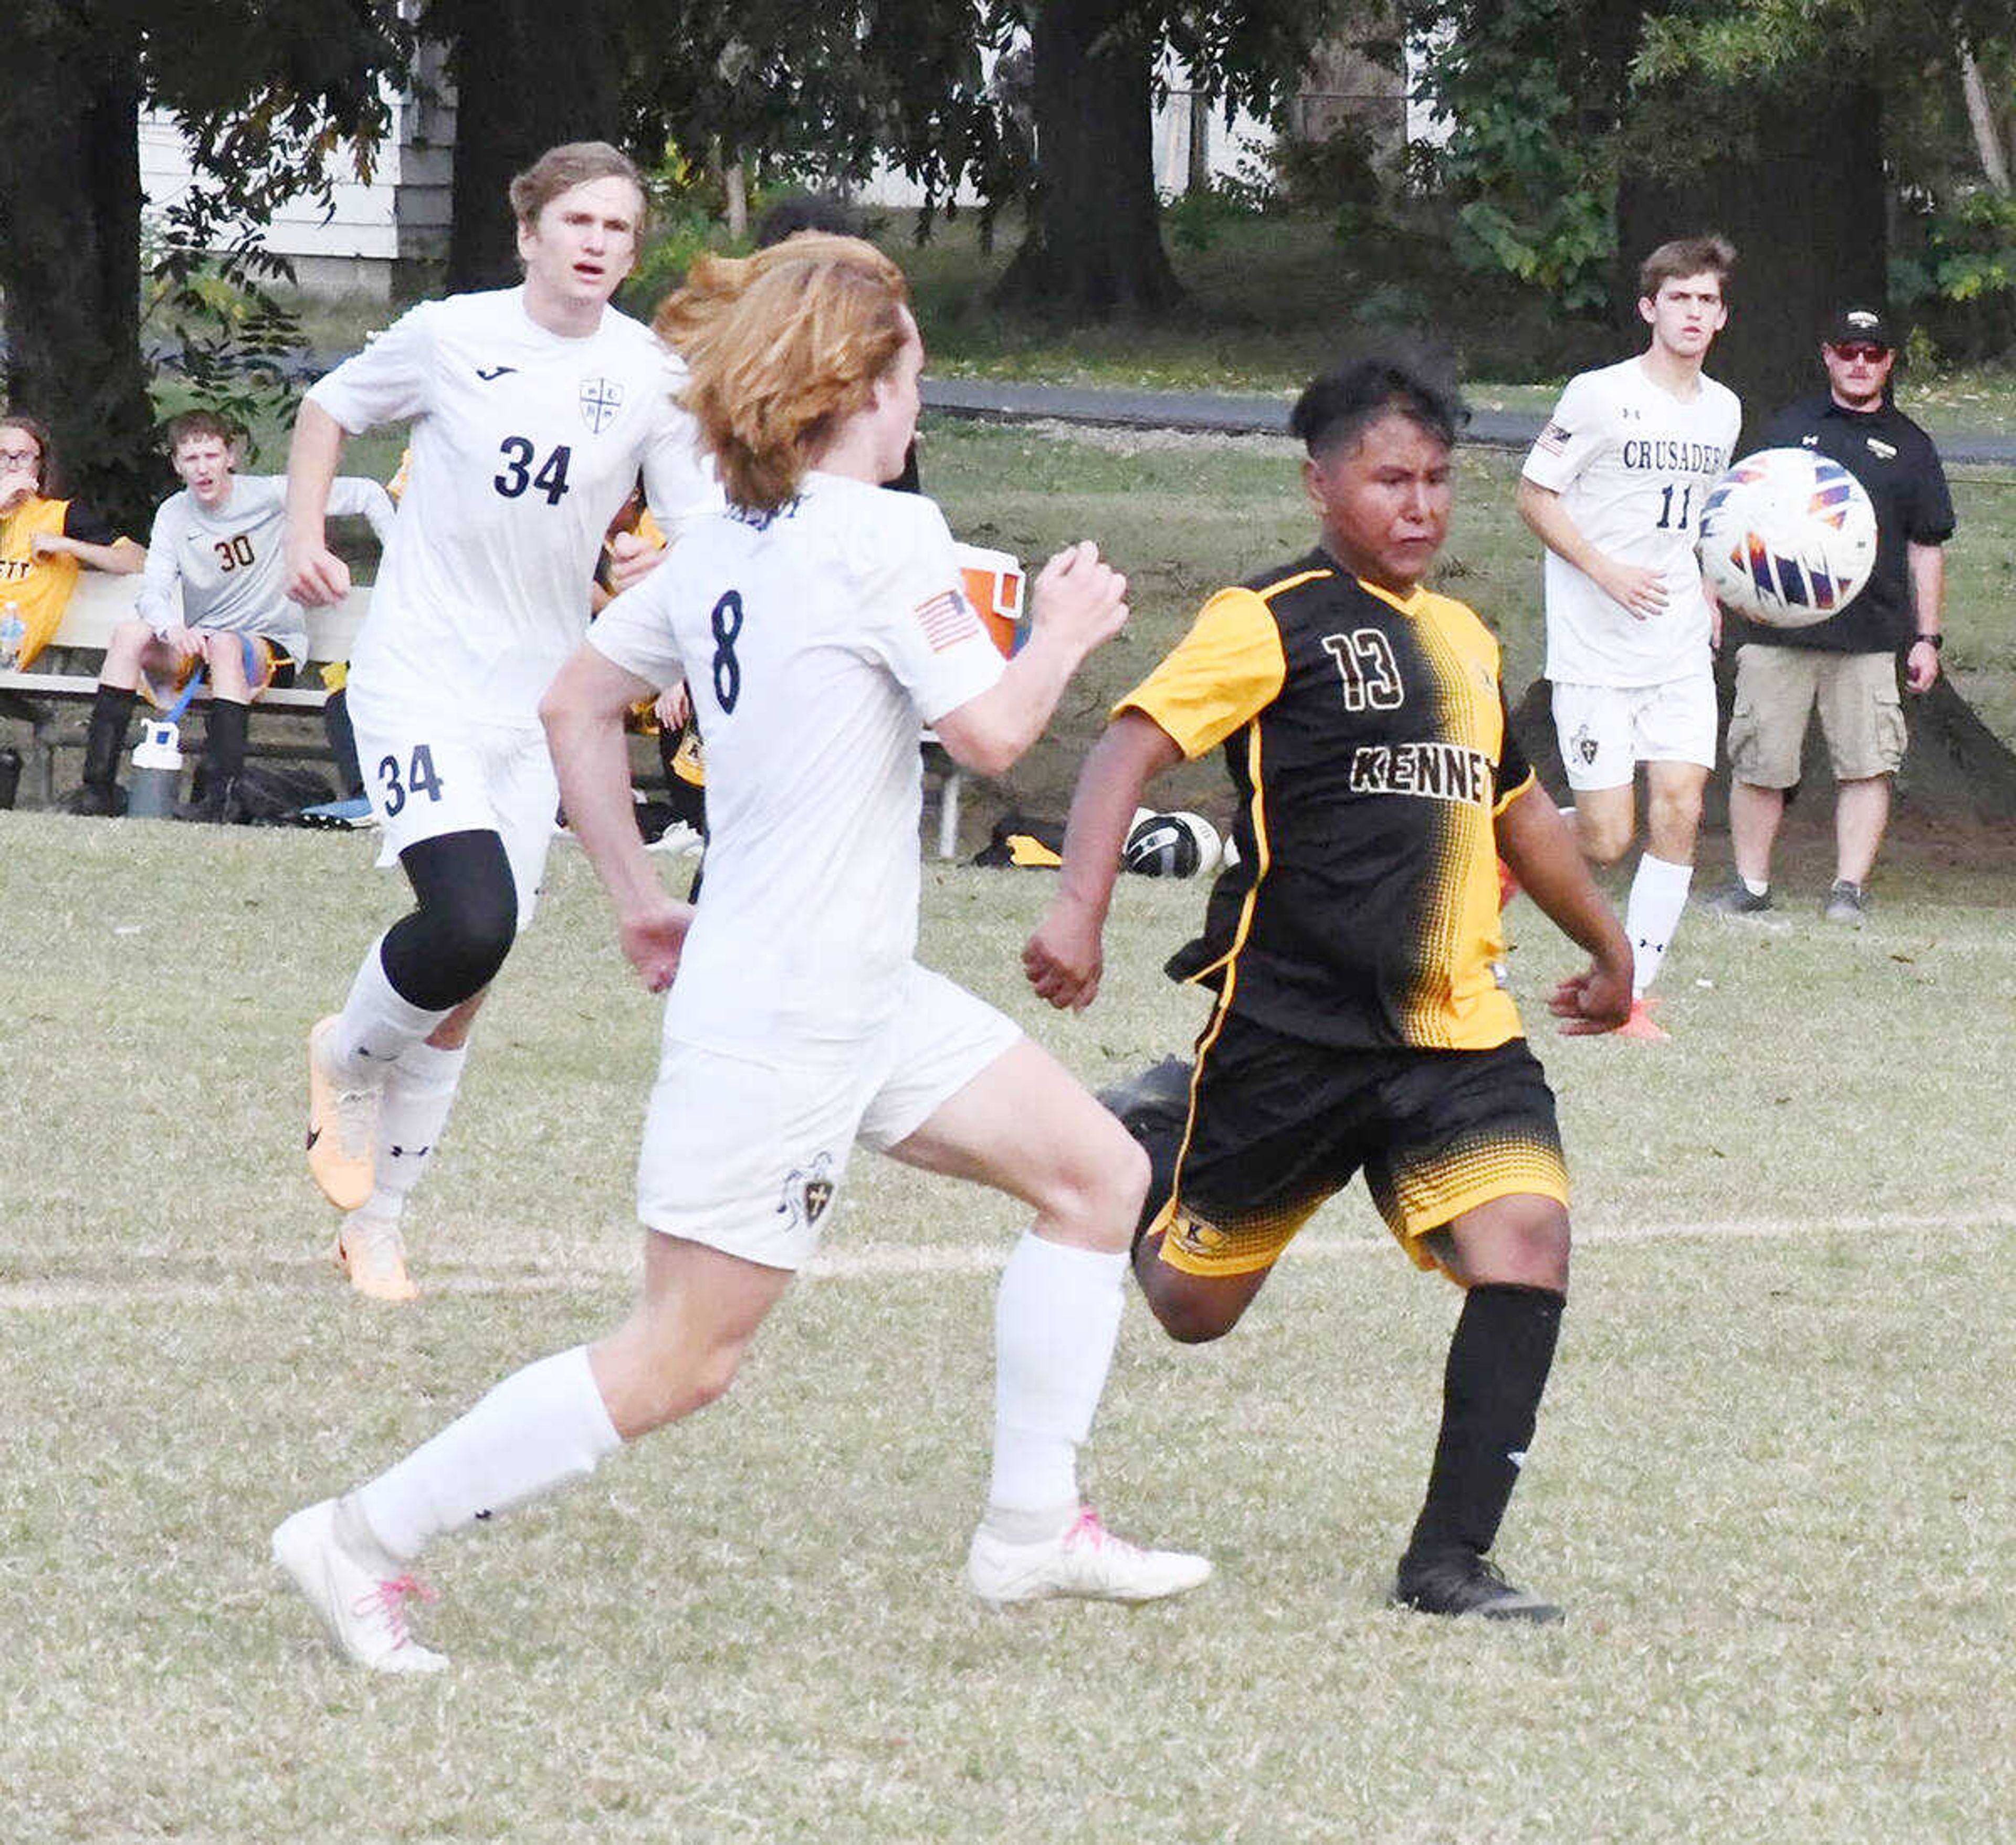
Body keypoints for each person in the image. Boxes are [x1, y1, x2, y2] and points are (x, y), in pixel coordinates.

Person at [272, 232, 1209, 1672]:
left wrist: (642, 896)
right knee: (682, 1357)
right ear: (861, 390)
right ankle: (358, 1539)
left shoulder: (725, 544)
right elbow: (995, 736)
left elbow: (580, 701)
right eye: (912, 380)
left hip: (849, 984)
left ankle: (1030, 1528)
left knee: (1101, 1175)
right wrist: (1072, 626)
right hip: (787, 1013)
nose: (918, 407)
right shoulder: (888, 536)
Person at [1025, 355, 1634, 1624]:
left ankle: (1448, 1560)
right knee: (1195, 1307)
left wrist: (1606, 943)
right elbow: (1127, 746)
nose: (1416, 508)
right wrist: (1076, 911)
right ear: (1320, 485)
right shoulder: (1269, 617)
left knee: (1527, 1240)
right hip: (1291, 1032)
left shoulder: (1465, 640)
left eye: (1435, 482)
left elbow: (1514, 809)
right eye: (1387, 480)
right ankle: (1145, 1137)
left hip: (1455, 1033)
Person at [285, 141, 717, 1304]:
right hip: (423, 675)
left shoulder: (651, 374)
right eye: (576, 220)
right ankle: (344, 1055)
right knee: (468, 919)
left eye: (618, 229)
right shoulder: (452, 332)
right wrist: (305, 534)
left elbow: (698, 531)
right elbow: (329, 408)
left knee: (477, 967)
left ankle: (381, 1221)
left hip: (543, 704)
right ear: (528, 231)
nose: (595, 243)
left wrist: (653, 566)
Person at [1517, 235, 1741, 1041]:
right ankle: (1508, 853)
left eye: (1706, 301)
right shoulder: (1598, 395)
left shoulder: (1724, 410)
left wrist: (1710, 586)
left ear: (1722, 316)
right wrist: (1604, 569)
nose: (1692, 313)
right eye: (1678, 299)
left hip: (1678, 641)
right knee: (1608, 837)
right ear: (1651, 308)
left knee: (1680, 808)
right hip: (1595, 647)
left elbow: (1697, 516)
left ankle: (1631, 994)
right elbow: (1535, 496)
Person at [1705, 307, 1955, 925]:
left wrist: (1927, 638)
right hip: (1777, 630)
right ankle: (1751, 886)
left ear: (1889, 362)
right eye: (1849, 352)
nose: (1860, 364)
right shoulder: (1788, 428)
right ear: (1828, 355)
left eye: (1873, 354)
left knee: (1868, 763)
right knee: (1762, 761)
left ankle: (1848, 888)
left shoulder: (1911, 446)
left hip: (1870, 638)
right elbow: (1737, 515)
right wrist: (1716, 593)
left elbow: (1927, 545)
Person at [64, 411, 395, 820]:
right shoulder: (173, 513)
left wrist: (402, 566)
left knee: (225, 645)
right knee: (131, 634)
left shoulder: (272, 495)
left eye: (210, 456)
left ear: (230, 457)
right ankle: (97, 789)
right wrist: (171, 628)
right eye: (191, 459)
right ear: (177, 465)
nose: (202, 469)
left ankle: (221, 795)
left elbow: (366, 494)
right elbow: (153, 591)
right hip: (203, 646)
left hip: (270, 647)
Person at [0, 413, 144, 674]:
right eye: (1, 455)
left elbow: (137, 560)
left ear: (39, 467)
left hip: (8, 648)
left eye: (22, 456)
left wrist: (68, 546)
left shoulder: (61, 515)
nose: (11, 465)